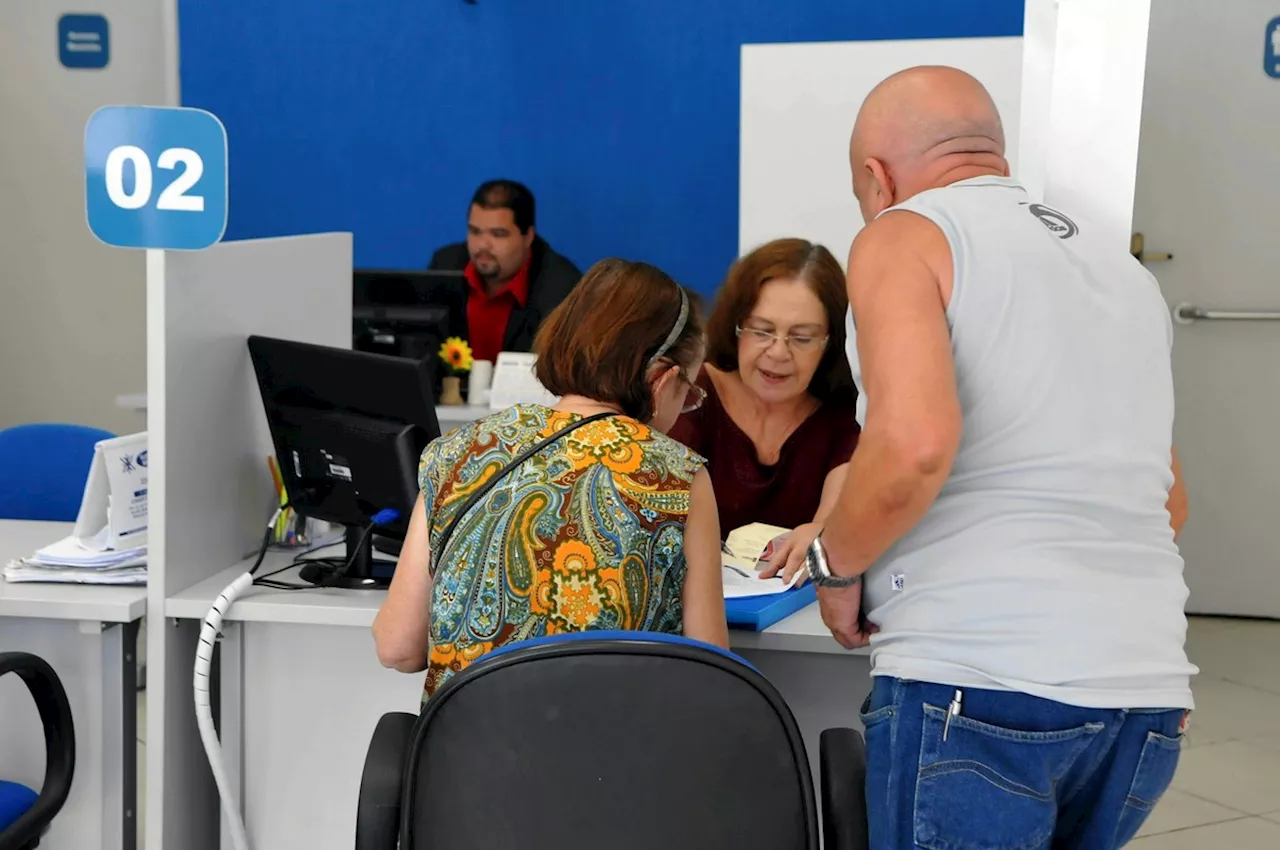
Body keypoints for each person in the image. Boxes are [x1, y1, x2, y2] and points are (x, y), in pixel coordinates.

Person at [786, 66, 1196, 849]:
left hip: (978, 682)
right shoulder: (1122, 273)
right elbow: (1168, 502)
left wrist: (836, 568)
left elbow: (912, 446)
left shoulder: (903, 234)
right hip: (1144, 692)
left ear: (876, 178)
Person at [372, 258, 729, 701]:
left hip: (465, 765)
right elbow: (712, 675)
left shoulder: (460, 453)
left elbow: (398, 647)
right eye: (688, 393)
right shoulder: (678, 475)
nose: (684, 408)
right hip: (620, 764)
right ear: (662, 380)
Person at [669, 238, 858, 557]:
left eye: (802, 338)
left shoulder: (843, 413)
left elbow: (831, 523)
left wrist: (823, 532)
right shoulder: (690, 395)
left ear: (830, 342)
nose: (779, 352)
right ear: (735, 327)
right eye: (761, 331)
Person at [427, 179, 583, 363]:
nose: (483, 245)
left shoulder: (562, 289)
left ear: (528, 237)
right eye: (475, 231)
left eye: (498, 234)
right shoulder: (445, 265)